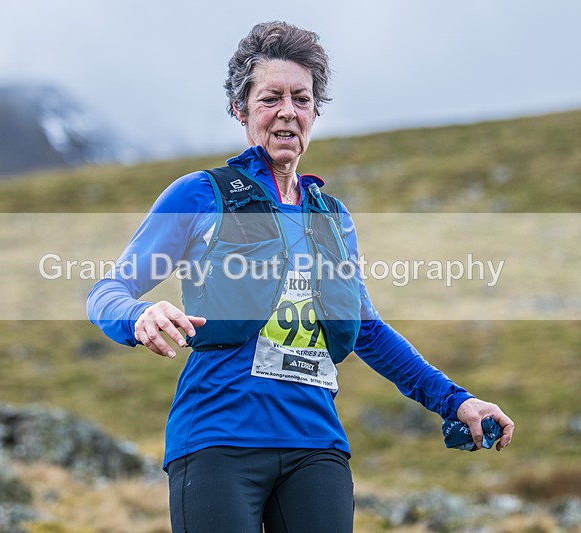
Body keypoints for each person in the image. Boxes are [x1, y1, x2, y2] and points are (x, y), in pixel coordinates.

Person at [87, 20, 514, 533]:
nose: (288, 111)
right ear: (240, 109)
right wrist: (139, 315)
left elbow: (367, 330)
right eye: (271, 98)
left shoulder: (333, 218)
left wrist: (457, 401)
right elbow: (108, 291)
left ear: (315, 111)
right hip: (217, 439)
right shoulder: (201, 195)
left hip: (315, 445)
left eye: (302, 99)